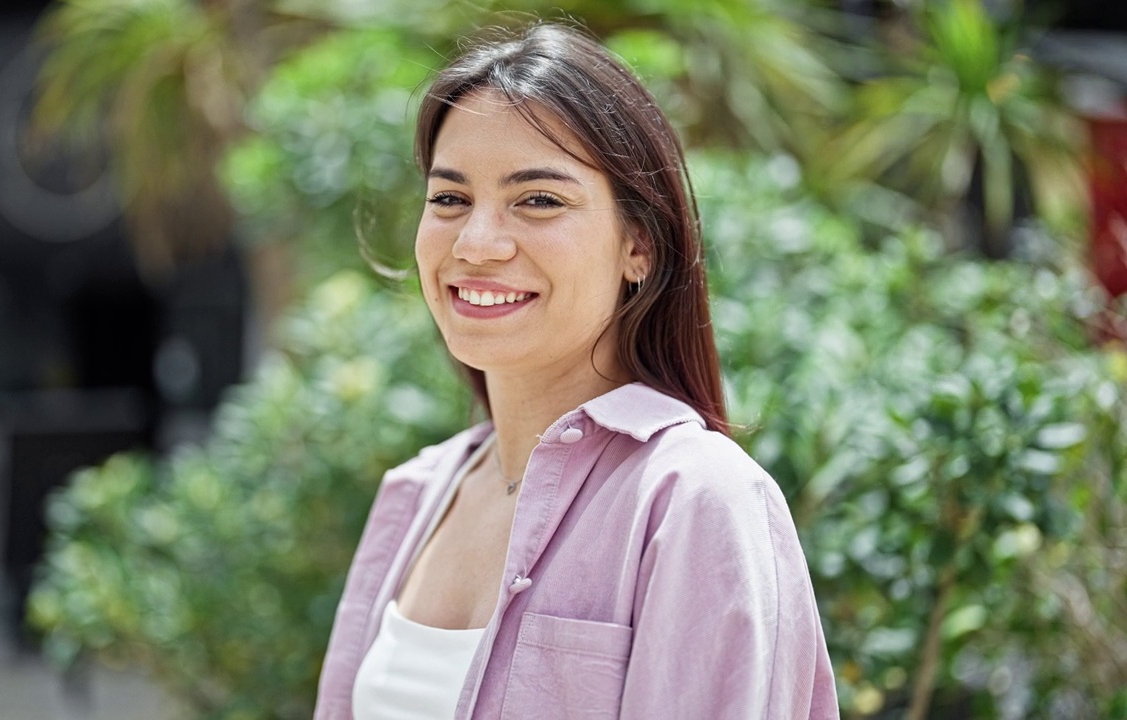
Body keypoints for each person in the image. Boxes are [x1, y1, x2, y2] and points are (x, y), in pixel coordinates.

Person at [314, 22, 838, 719]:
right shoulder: (415, 496)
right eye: (450, 198)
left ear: (639, 246)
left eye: (538, 200)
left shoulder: (695, 500)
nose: (477, 243)